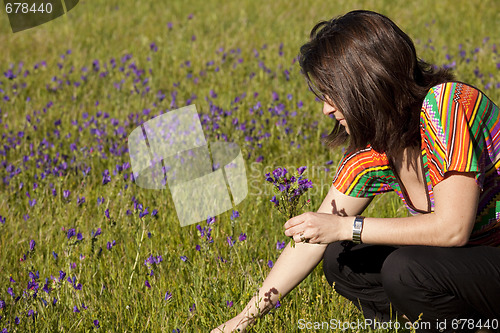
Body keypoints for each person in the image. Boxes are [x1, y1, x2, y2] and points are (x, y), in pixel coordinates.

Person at [212, 10, 500, 333]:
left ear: (365, 82)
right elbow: (314, 240)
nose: (326, 108)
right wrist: (241, 321)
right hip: (466, 268)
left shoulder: (445, 105)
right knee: (339, 260)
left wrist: (347, 226)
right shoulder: (374, 150)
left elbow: (452, 229)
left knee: (402, 270)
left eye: (331, 93)